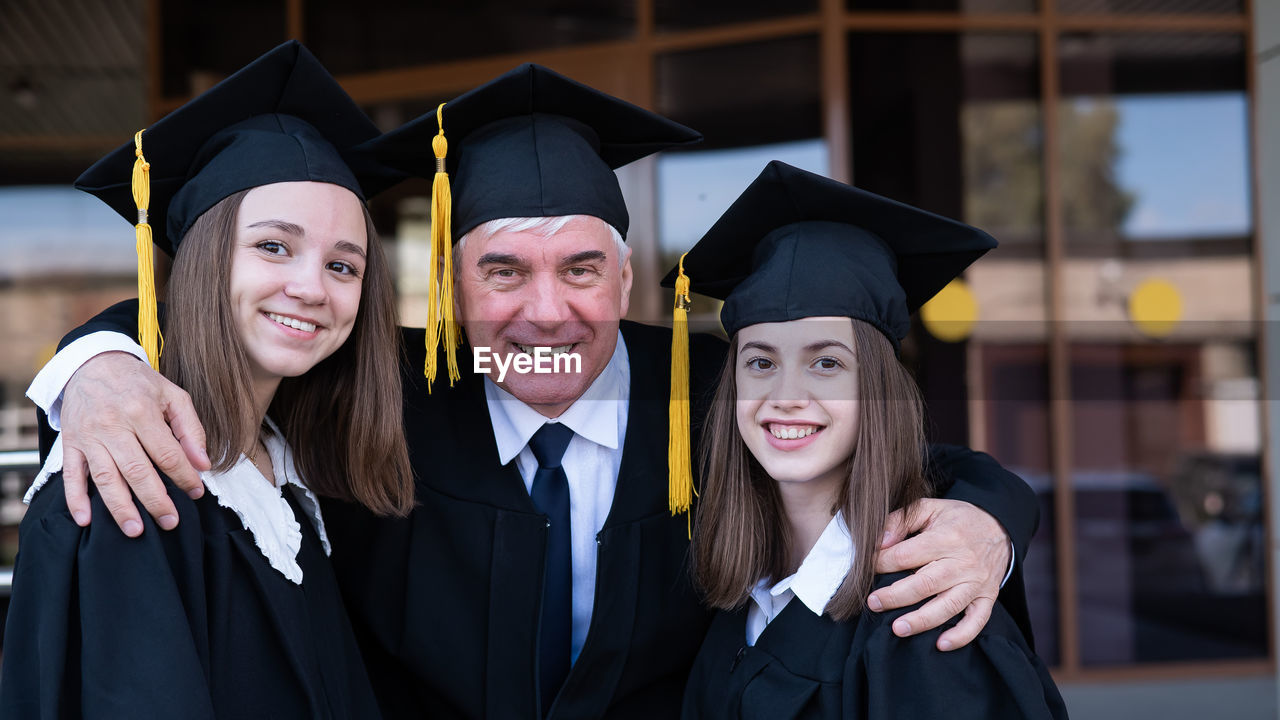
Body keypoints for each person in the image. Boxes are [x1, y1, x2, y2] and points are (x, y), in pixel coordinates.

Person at [27, 65, 1038, 719]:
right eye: (502, 271)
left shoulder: (719, 393)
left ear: (629, 278)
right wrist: (98, 368)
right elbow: (224, 333)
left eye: (582, 270)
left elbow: (893, 451)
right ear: (448, 289)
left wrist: (990, 519)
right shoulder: (379, 399)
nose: (546, 312)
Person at [3, 41, 413, 718]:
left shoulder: (288, 468)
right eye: (273, 246)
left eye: (344, 266)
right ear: (203, 262)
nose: (311, 287)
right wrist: (91, 362)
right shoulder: (131, 482)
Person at [673, 161, 1066, 719]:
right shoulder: (746, 592)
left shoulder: (921, 618)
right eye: (760, 361)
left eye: (826, 362)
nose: (785, 394)